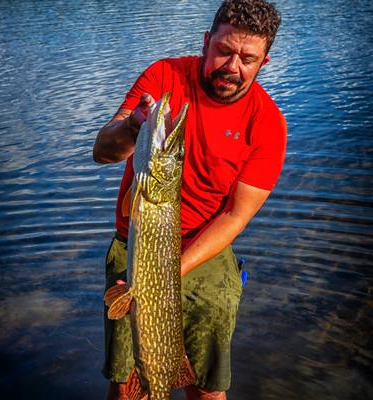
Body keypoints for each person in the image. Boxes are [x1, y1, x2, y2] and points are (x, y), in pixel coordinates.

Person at [93, 0, 286, 399]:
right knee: (127, 387)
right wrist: (132, 126)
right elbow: (103, 151)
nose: (232, 66)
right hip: (137, 249)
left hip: (206, 251)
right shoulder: (165, 75)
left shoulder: (268, 123)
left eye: (247, 58)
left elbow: (235, 216)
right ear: (205, 42)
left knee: (207, 387)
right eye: (223, 50)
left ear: (263, 63)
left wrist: (164, 275)